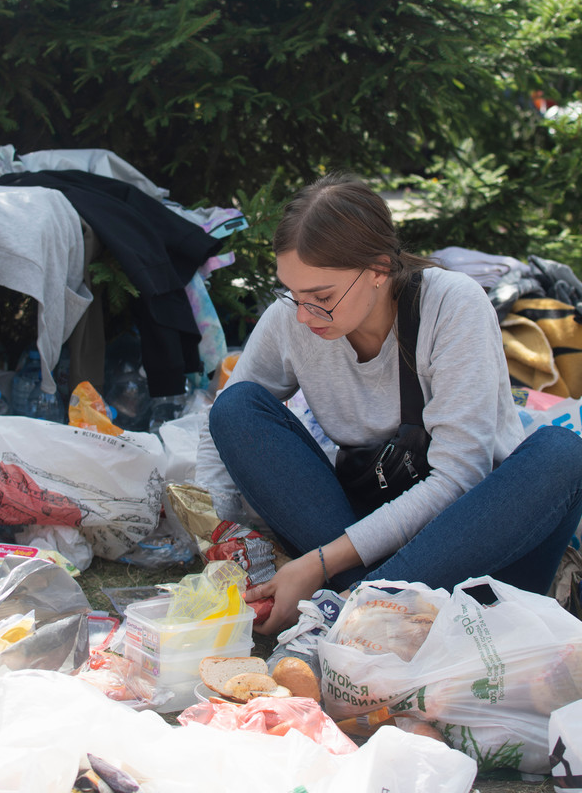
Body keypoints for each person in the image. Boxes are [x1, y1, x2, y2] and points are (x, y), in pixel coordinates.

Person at [195, 173, 582, 647]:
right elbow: (226, 424)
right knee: (235, 407)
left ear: (379, 269)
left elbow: (459, 477)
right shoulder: (293, 321)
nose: (303, 315)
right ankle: (371, 607)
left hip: (472, 545)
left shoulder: (451, 304)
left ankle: (358, 606)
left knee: (564, 453)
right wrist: (217, 531)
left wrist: (318, 564)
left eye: (322, 297)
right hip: (366, 534)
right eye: (292, 294)